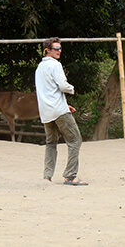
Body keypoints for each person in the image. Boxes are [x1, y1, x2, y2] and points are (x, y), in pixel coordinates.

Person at [35, 37, 88, 185]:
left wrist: (65, 104)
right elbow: (62, 86)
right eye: (56, 48)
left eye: (60, 48)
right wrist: (72, 89)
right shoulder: (55, 65)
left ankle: (47, 176)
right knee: (75, 140)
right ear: (48, 50)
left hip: (46, 112)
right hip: (58, 111)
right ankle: (70, 175)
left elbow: (47, 91)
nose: (59, 51)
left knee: (51, 143)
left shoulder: (40, 68)